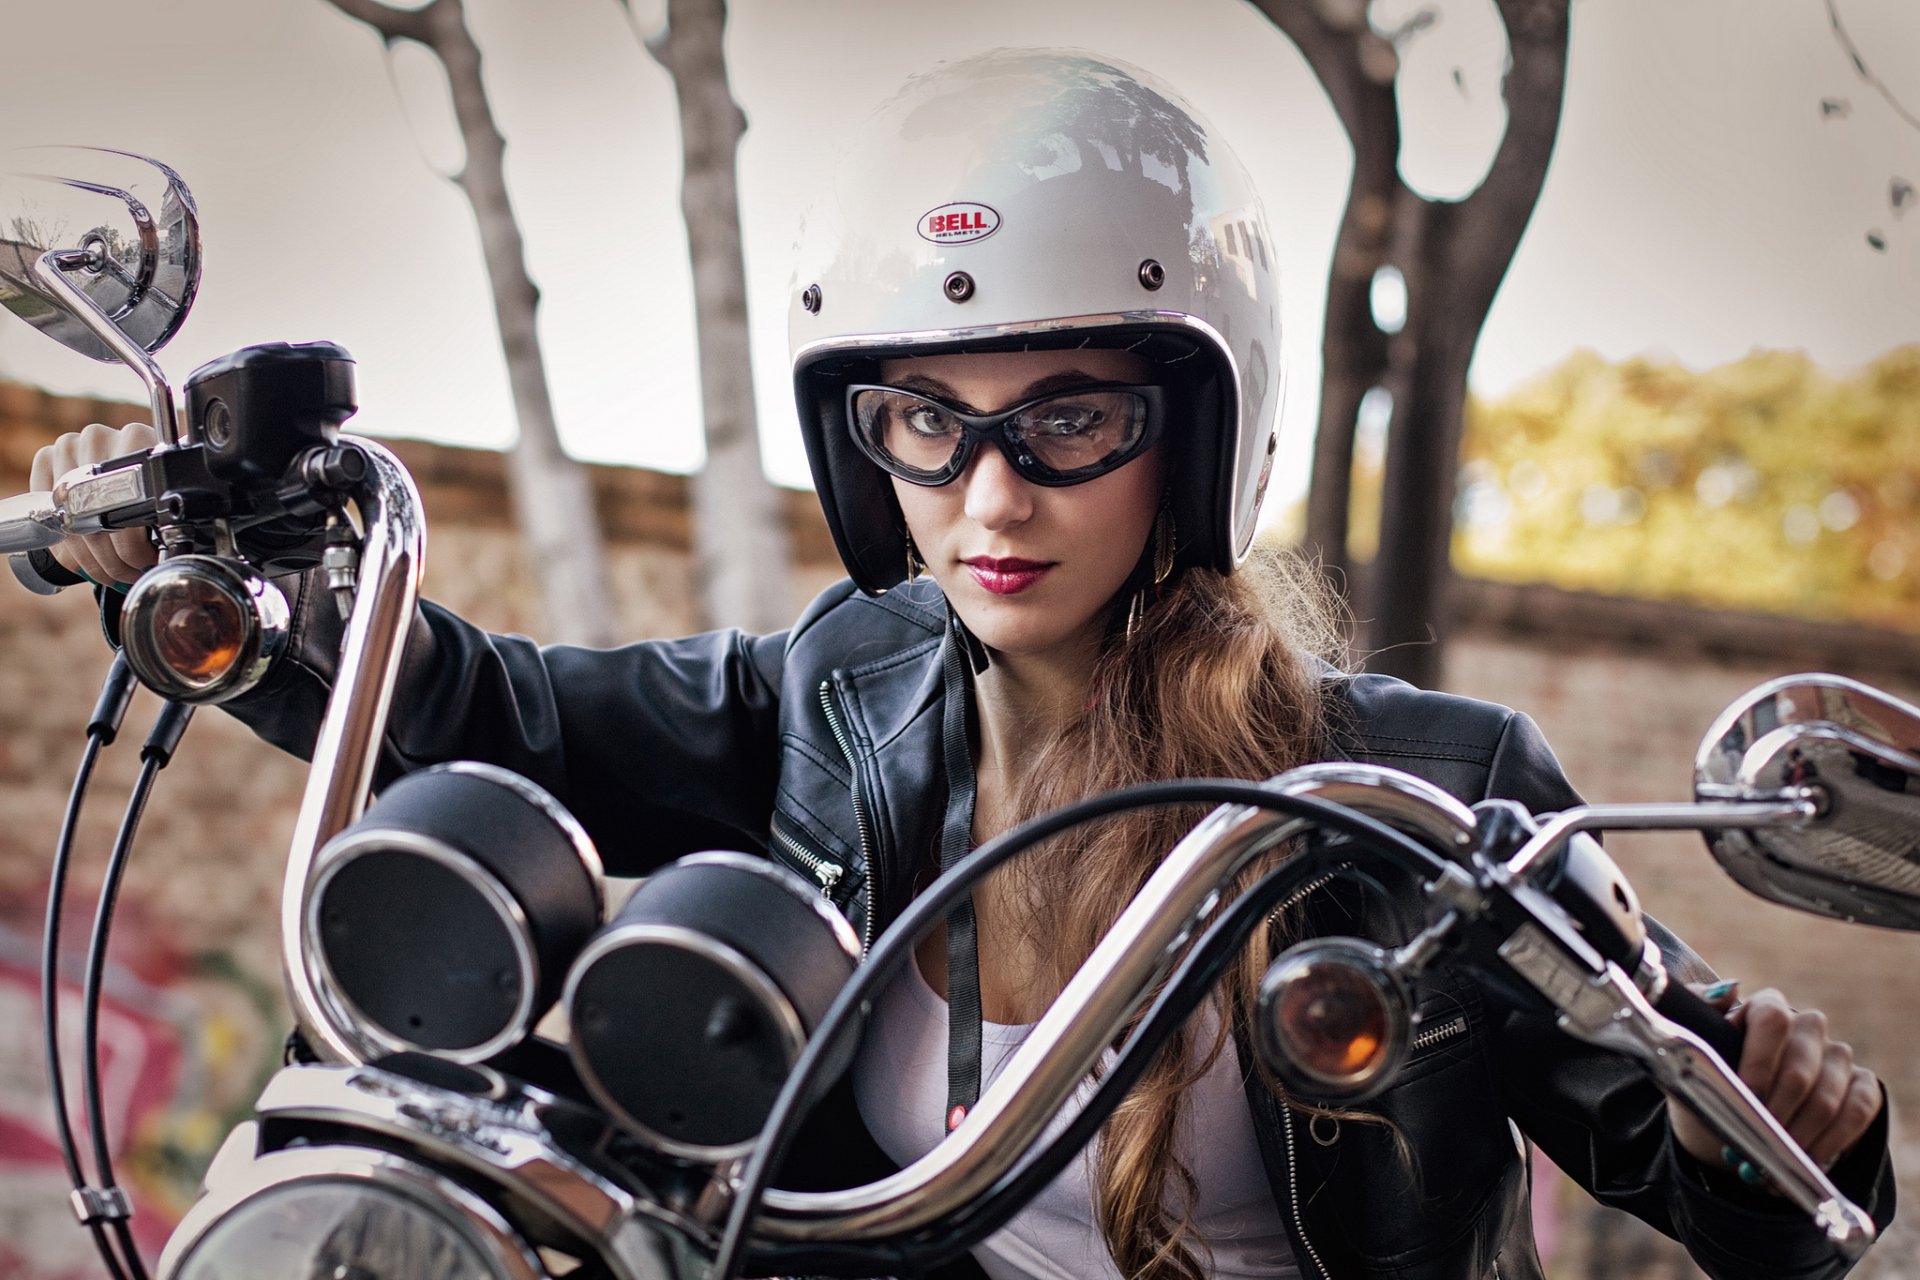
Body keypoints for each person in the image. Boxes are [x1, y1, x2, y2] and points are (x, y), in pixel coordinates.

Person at [35, 48, 1892, 1280]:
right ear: (867, 439)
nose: (991, 491)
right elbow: (499, 716)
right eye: (929, 420)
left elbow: (1744, 1177)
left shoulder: (1418, 790)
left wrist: (1798, 1102)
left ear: (1194, 424)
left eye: (1068, 416)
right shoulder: (845, 688)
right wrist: (245, 606)